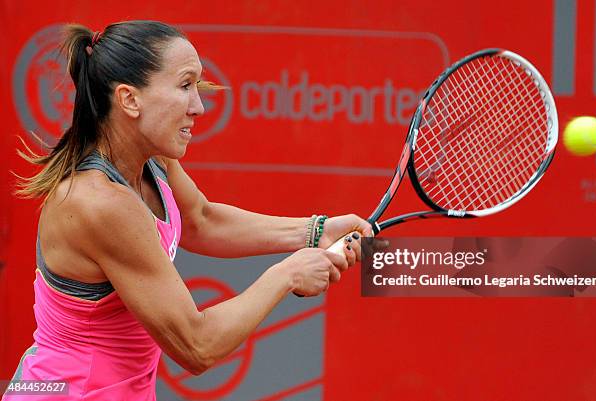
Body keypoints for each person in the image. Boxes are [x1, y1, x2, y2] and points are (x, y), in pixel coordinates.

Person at [3, 21, 372, 400]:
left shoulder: (153, 157)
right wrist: (288, 274)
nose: (198, 106)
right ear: (130, 100)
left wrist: (314, 231)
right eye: (185, 85)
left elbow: (201, 220)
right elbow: (197, 345)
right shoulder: (101, 204)